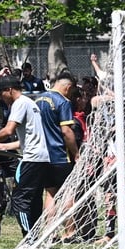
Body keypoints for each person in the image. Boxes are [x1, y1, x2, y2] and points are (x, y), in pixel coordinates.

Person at [0, 76, 50, 238]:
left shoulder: (19, 103)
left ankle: (28, 238)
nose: (1, 99)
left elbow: (9, 130)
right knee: (34, 200)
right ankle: (35, 238)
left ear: (9, 90)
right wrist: (3, 146)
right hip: (41, 157)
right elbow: (28, 140)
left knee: (19, 200)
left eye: (1, 95)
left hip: (31, 159)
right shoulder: (30, 103)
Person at [35, 71, 79, 211]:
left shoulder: (38, 99)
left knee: (50, 193)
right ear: (68, 87)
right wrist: (76, 153)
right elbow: (66, 131)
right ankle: (69, 232)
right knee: (67, 192)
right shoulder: (63, 102)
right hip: (60, 156)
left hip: (43, 155)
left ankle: (50, 231)